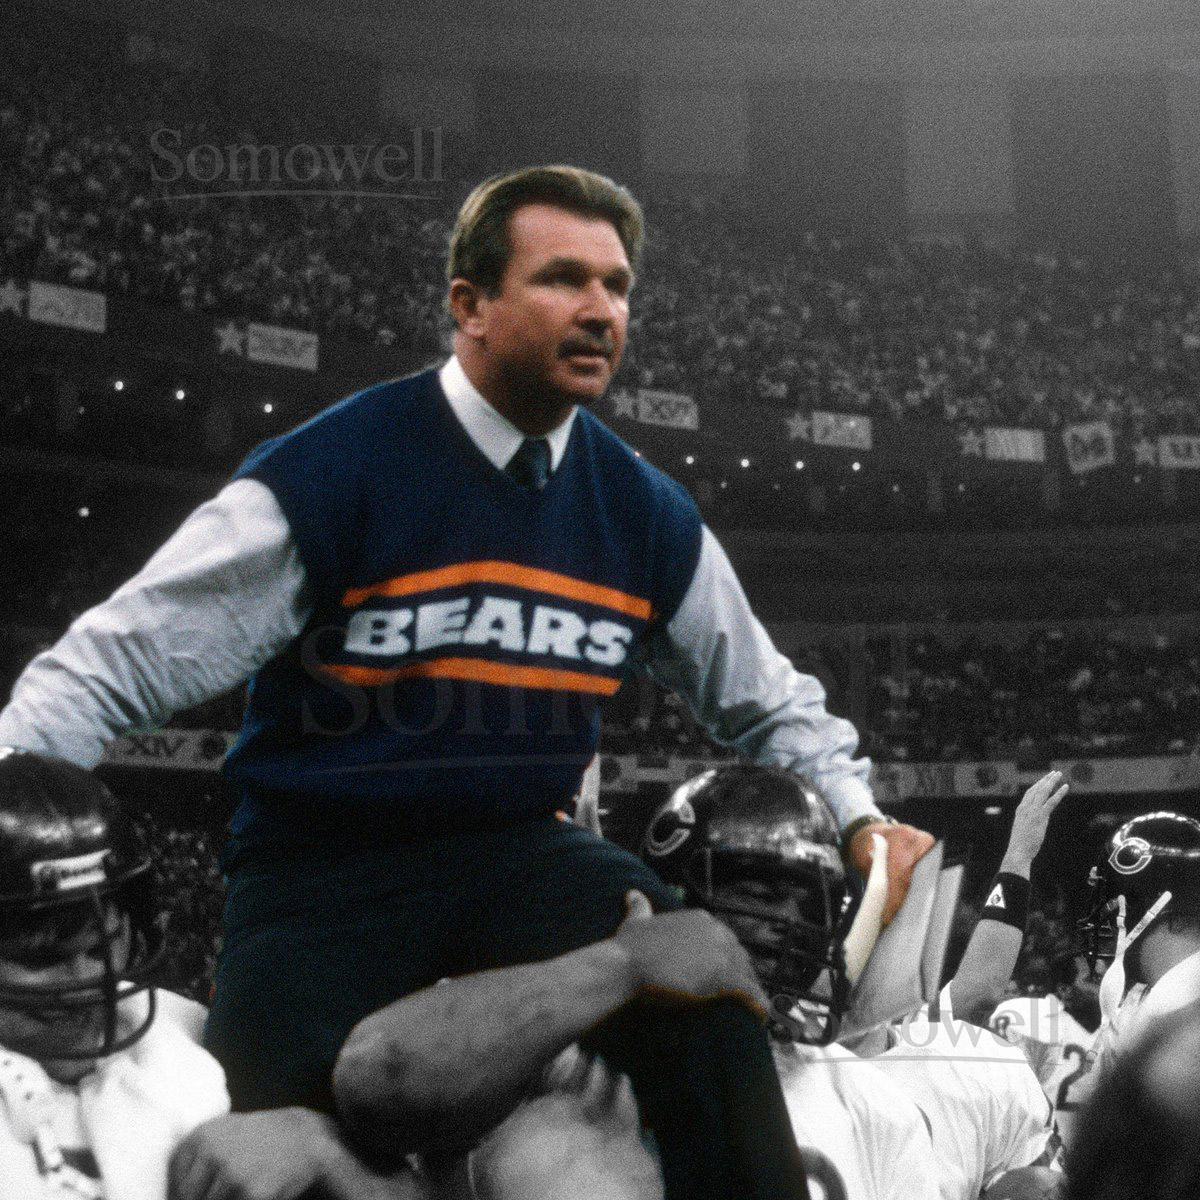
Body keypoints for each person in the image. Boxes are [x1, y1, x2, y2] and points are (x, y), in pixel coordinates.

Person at [0, 164, 933, 1197]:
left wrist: (857, 814)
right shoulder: (334, 469)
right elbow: (115, 660)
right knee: (256, 1143)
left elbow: (767, 697)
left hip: (522, 853)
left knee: (708, 992)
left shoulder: (644, 510)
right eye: (563, 278)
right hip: (321, 868)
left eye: (618, 287)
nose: (601, 310)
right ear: (470, 305)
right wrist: (12, 812)